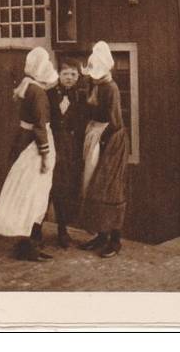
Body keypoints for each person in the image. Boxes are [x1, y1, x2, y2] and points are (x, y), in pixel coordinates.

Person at [0, 47, 58, 262]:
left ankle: (29, 242)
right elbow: (39, 126)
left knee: (28, 192)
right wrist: (45, 155)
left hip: (24, 142)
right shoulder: (36, 91)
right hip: (33, 147)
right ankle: (26, 245)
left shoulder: (28, 85)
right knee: (31, 193)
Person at [79, 41, 129, 258]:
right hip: (96, 135)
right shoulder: (96, 85)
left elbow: (115, 122)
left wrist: (103, 141)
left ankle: (115, 240)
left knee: (109, 186)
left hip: (111, 140)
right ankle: (101, 234)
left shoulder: (111, 88)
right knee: (93, 184)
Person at [46, 58, 87, 248]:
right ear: (58, 75)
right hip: (52, 146)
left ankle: (62, 231)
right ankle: (35, 232)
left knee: (65, 190)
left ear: (78, 77)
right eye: (65, 74)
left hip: (71, 150)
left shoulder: (81, 97)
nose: (69, 78)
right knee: (46, 188)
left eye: (73, 74)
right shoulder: (48, 94)